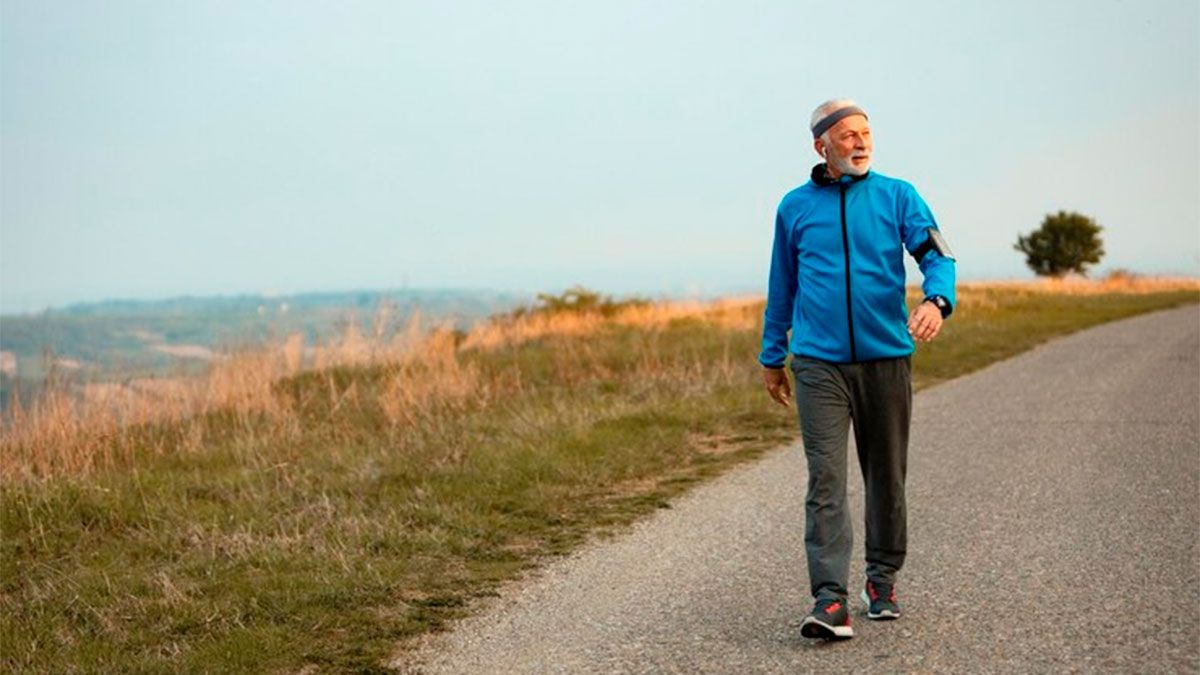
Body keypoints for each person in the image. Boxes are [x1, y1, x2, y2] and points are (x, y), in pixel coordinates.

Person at [758, 98, 957, 641]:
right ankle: (830, 599)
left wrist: (936, 300)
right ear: (821, 145)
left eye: (866, 133)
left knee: (886, 475)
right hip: (818, 364)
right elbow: (782, 285)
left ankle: (881, 579)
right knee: (825, 478)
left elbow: (937, 255)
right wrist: (772, 355)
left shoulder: (898, 195)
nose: (861, 142)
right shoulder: (794, 207)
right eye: (847, 135)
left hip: (886, 358)